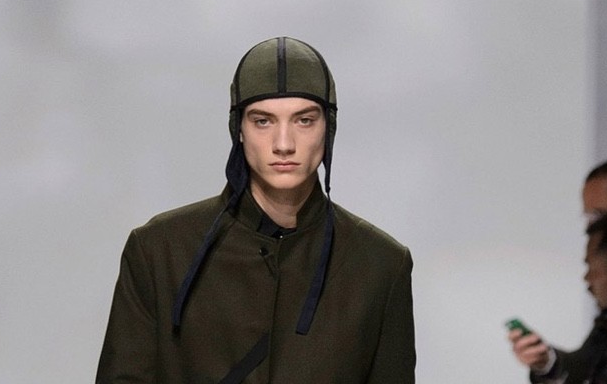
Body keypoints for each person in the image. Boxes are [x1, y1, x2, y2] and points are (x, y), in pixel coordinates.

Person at [96, 37, 416, 383]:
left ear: (329, 128)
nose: (283, 144)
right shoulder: (159, 253)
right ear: (239, 129)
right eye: (263, 121)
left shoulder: (381, 266)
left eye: (304, 120)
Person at [508, 161, 607, 383]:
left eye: (599, 215)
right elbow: (583, 366)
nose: (586, 279)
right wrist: (546, 362)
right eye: (589, 217)